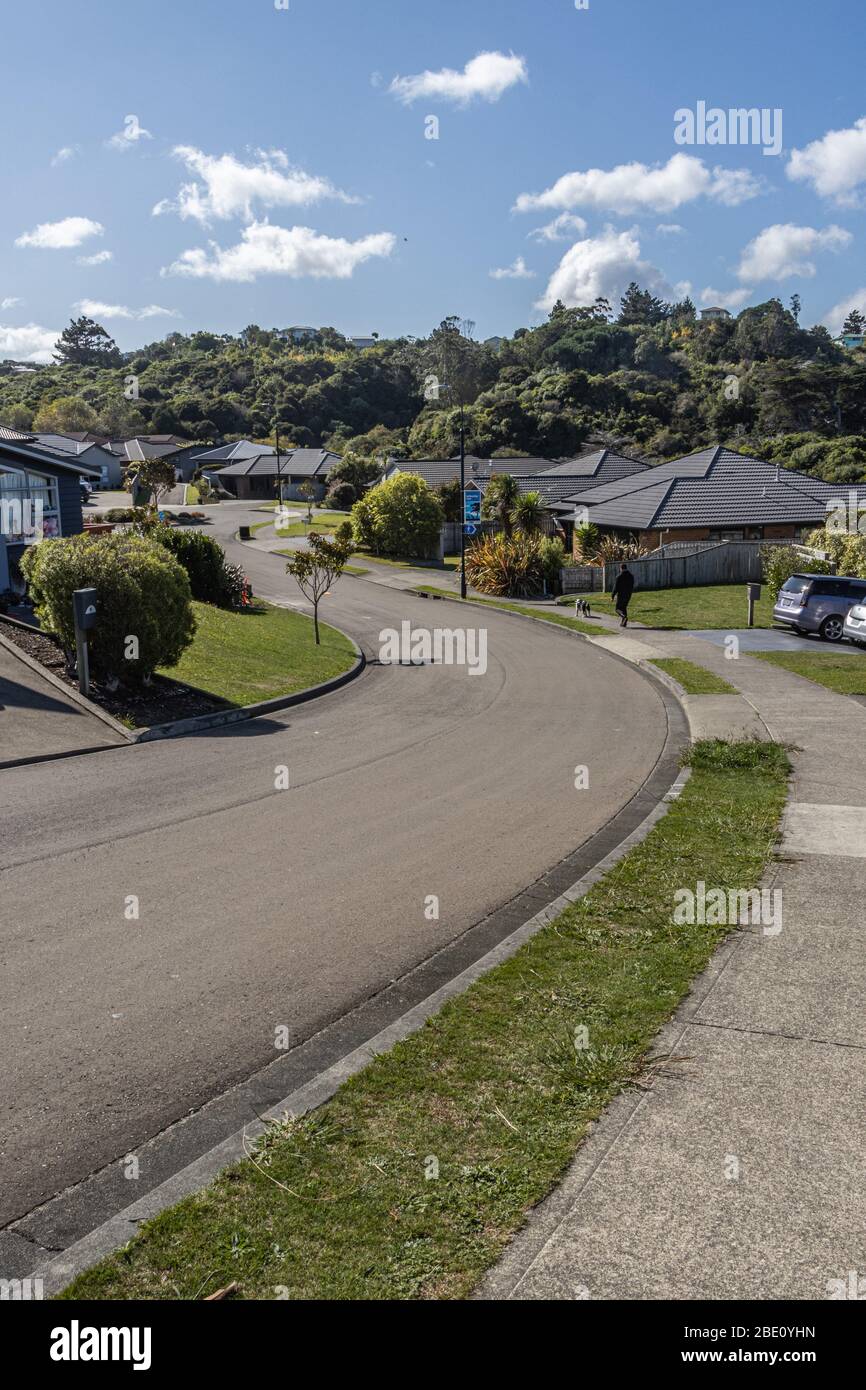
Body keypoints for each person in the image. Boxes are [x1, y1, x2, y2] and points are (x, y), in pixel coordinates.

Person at [611, 562, 635, 627]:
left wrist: (612, 595)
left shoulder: (619, 577)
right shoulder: (631, 576)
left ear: (621, 568)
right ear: (626, 568)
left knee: (617, 609)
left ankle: (624, 617)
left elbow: (616, 587)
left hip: (621, 595)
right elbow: (632, 585)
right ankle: (624, 623)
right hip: (628, 594)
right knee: (624, 607)